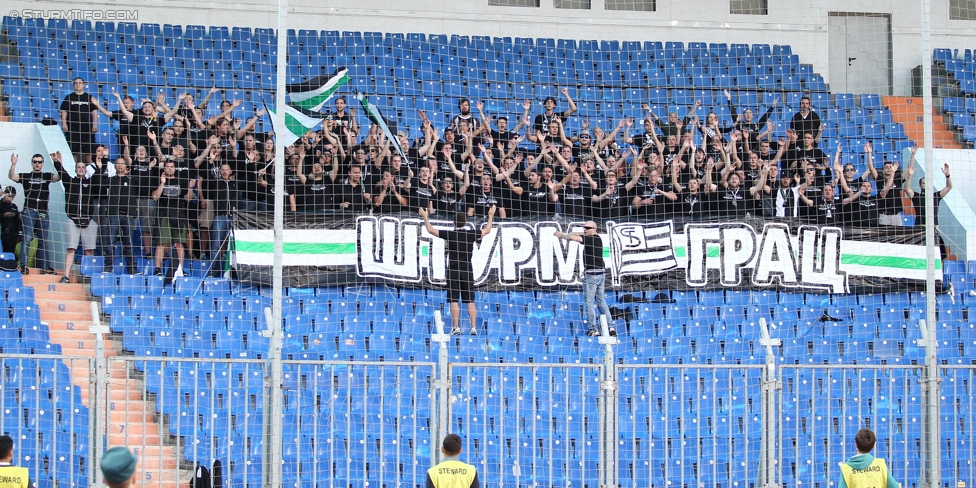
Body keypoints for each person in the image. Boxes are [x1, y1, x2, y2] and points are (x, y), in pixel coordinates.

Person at [418, 205, 496, 336]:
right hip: (467, 270)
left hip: (453, 270)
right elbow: (487, 230)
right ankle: (473, 327)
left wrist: (425, 217)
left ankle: (456, 327)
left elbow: (430, 230)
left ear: (454, 222)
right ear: (465, 222)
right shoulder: (471, 234)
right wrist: (491, 216)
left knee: (454, 299)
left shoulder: (450, 234)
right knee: (470, 300)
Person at [554, 221, 618, 337]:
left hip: (592, 275)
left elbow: (573, 238)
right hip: (601, 274)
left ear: (594, 229)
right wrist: (581, 231)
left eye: (587, 228)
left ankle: (594, 329)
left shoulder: (590, 239)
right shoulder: (598, 238)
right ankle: (611, 326)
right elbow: (577, 234)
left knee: (589, 303)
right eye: (584, 228)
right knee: (601, 302)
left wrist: (561, 235)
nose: (585, 230)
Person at [52, 151, 101, 283]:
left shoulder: (90, 184)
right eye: (78, 167)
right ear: (75, 170)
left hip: (88, 220)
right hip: (73, 219)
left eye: (83, 167)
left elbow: (98, 179)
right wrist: (57, 162)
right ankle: (66, 275)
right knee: (71, 249)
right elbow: (62, 173)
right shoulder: (70, 182)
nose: (80, 169)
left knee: (89, 250)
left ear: (86, 170)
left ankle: (90, 277)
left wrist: (99, 166)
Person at [9, 153, 61, 274]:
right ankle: (23, 265)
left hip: (43, 211)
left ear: (42, 163)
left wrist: (58, 162)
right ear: (32, 163)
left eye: (39, 162)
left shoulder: (47, 175)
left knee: (43, 240)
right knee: (27, 239)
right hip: (29, 210)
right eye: (35, 161)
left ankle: (46, 266)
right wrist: (13, 164)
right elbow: (12, 176)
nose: (37, 164)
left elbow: (60, 177)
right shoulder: (26, 176)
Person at [59, 77, 97, 164]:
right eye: (76, 83)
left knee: (88, 150)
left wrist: (95, 124)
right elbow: (64, 111)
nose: (78, 84)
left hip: (87, 128)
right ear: (73, 85)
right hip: (73, 128)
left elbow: (94, 111)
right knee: (73, 150)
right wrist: (64, 124)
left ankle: (89, 169)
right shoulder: (69, 97)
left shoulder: (89, 97)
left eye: (80, 83)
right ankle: (73, 169)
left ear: (83, 85)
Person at [0, 187, 21, 255]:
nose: (11, 199)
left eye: (13, 197)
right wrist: (4, 215)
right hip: (2, 233)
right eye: (9, 196)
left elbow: (18, 221)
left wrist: (18, 234)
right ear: (4, 194)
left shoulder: (14, 207)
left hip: (12, 234)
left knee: (10, 254)